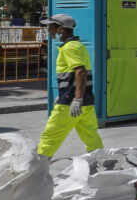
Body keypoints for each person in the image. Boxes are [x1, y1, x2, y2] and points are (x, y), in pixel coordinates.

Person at [37, 13, 104, 157]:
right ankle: (102, 164)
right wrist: (71, 97)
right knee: (91, 138)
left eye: (51, 27)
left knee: (50, 137)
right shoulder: (77, 45)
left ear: (61, 29)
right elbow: (72, 76)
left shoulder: (69, 48)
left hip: (70, 103)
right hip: (85, 102)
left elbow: (80, 72)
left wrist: (76, 99)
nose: (49, 30)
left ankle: (36, 169)